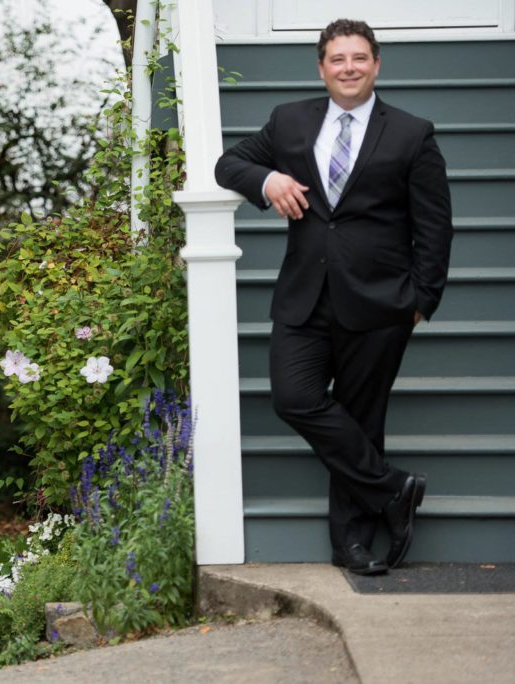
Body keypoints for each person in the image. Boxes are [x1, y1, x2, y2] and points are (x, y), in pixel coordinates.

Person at [215, 19, 453, 575]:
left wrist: (422, 299)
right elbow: (229, 164)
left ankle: (349, 544)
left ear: (376, 65)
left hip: (379, 302)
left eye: (360, 58)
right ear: (321, 67)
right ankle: (392, 490)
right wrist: (268, 180)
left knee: (362, 418)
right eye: (338, 58)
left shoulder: (412, 133)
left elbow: (436, 226)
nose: (349, 67)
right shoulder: (290, 121)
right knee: (294, 397)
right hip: (304, 295)